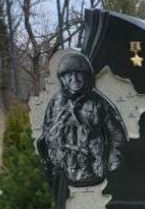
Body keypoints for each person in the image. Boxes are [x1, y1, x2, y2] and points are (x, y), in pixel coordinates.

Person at [38, 51, 128, 190]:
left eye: (78, 73)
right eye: (69, 74)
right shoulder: (55, 103)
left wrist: (113, 165)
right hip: (62, 175)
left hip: (92, 173)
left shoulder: (98, 103)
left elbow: (117, 136)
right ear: (63, 78)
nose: (74, 78)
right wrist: (50, 161)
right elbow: (47, 133)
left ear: (86, 76)